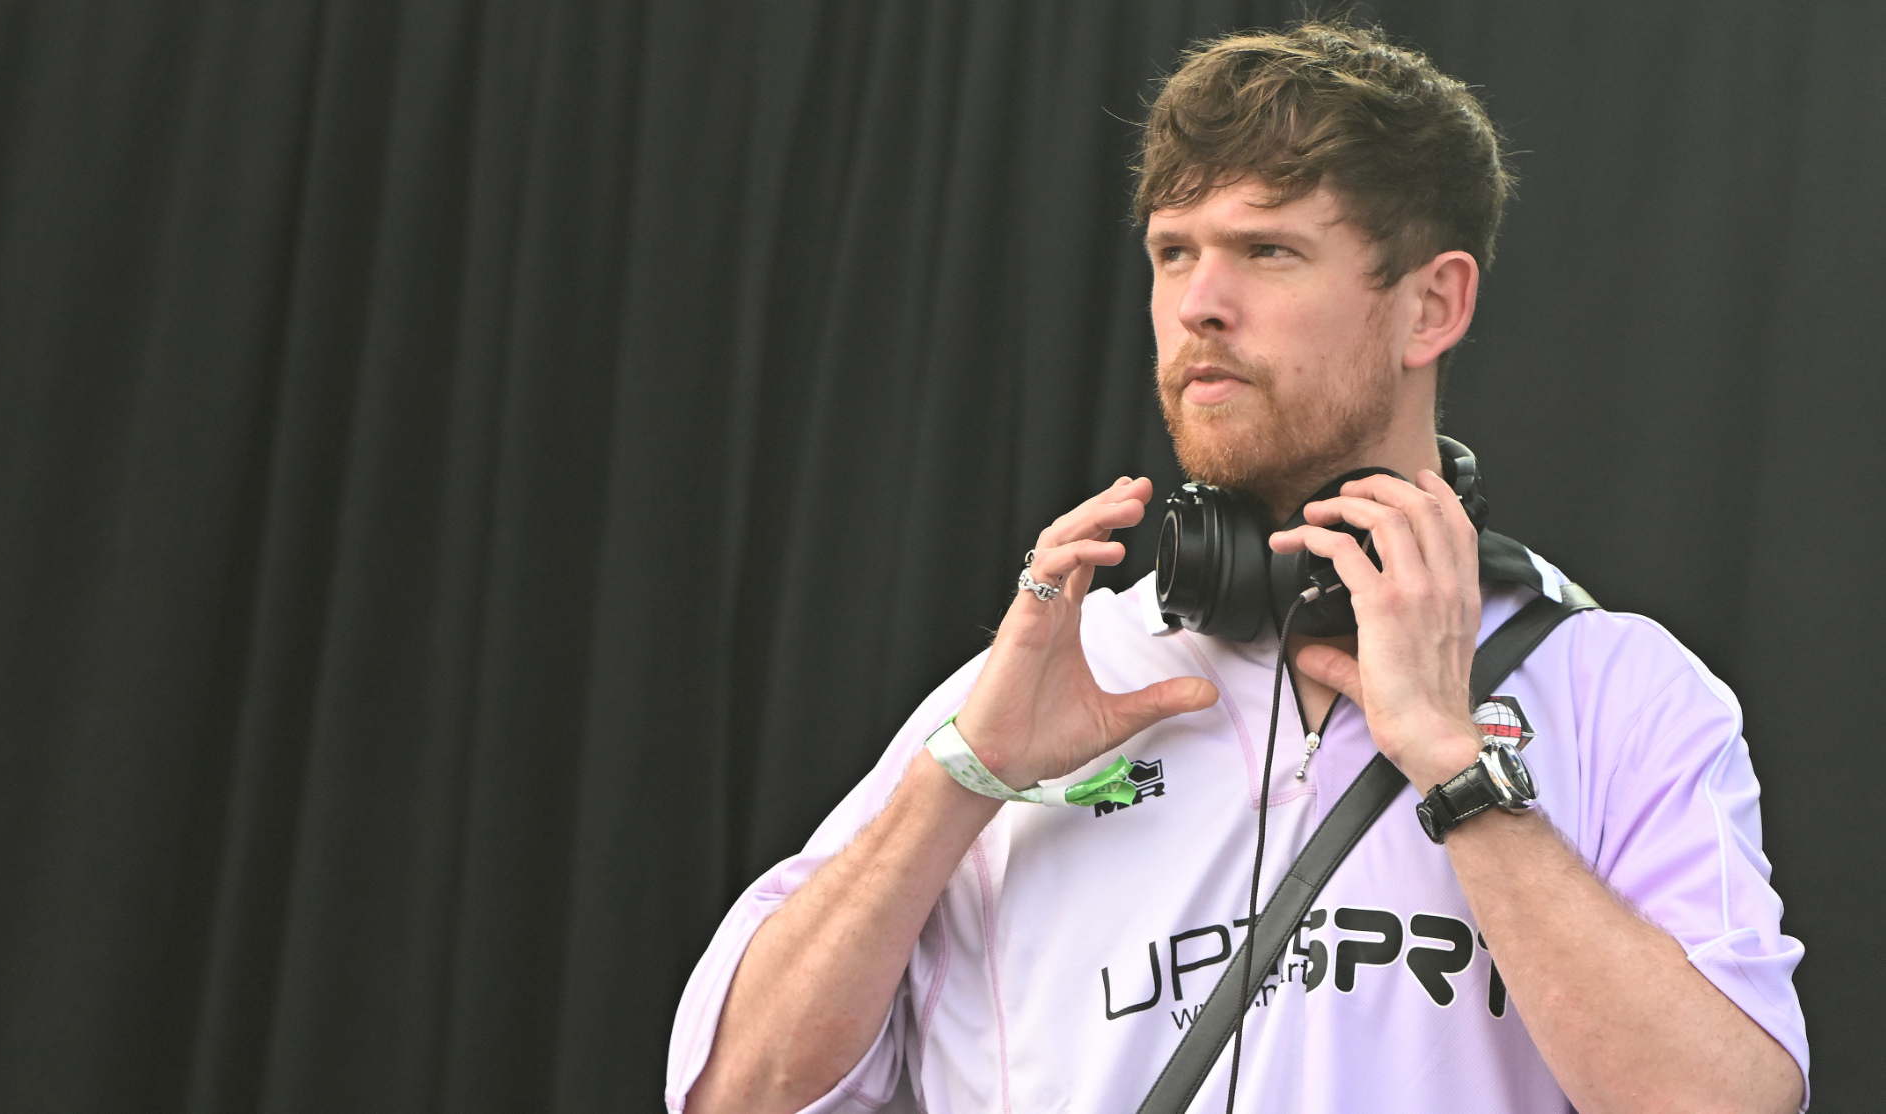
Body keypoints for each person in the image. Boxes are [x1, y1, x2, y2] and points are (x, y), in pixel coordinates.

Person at [666, 20, 1808, 1114]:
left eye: (1268, 249)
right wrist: (963, 776)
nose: (1198, 305)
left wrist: (1458, 766)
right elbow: (735, 1093)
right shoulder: (1040, 686)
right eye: (1174, 252)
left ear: (1431, 304)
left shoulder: (1617, 691)